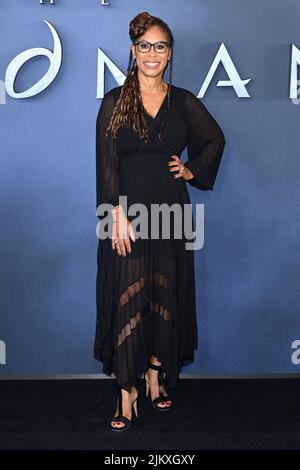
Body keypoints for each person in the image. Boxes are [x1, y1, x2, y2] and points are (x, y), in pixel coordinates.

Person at [94, 11, 226, 431]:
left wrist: (191, 170)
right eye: (145, 46)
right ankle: (125, 389)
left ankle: (155, 373)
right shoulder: (115, 101)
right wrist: (115, 214)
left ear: (169, 53)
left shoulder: (184, 100)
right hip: (126, 212)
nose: (153, 54)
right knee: (126, 296)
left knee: (164, 293)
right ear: (134, 52)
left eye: (161, 46)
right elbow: (106, 161)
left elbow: (215, 139)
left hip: (171, 208)